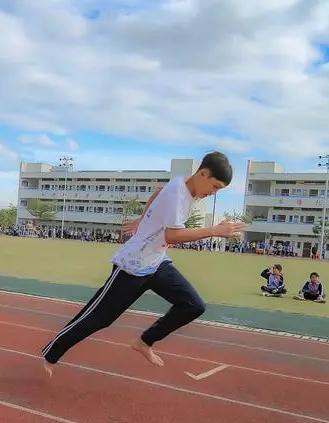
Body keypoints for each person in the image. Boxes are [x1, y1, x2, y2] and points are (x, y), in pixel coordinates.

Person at [40, 151, 246, 376]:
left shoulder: (185, 186)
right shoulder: (178, 193)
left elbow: (158, 193)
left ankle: (145, 341)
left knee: (193, 305)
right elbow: (173, 236)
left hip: (157, 263)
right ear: (203, 174)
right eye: (215, 187)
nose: (213, 193)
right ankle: (52, 353)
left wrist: (142, 218)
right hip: (133, 266)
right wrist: (215, 231)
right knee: (98, 318)